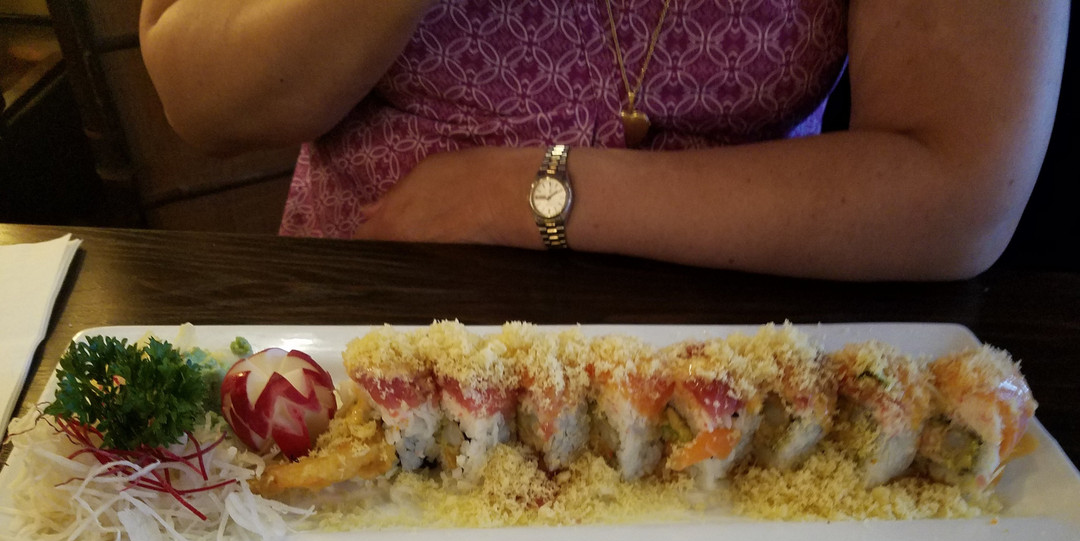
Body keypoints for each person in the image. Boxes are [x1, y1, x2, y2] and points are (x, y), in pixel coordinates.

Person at [138, 1, 1069, 281]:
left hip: (746, 337)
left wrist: (534, 195)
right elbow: (205, 101)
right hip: (370, 326)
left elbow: (956, 188)